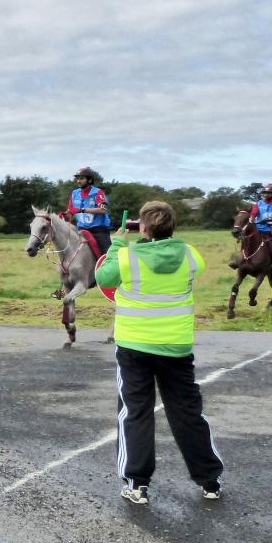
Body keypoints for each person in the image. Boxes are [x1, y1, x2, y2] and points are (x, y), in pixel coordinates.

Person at [94, 200, 223, 506]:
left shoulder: (126, 256)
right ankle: (210, 480)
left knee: (135, 412)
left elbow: (103, 278)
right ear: (172, 226)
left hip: (134, 347)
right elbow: (190, 267)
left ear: (145, 227)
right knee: (188, 412)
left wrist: (116, 245)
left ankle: (137, 483)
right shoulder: (191, 255)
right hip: (176, 347)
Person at [67, 166, 112, 254]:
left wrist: (83, 210)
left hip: (98, 230)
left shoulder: (98, 192)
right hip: (81, 229)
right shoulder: (74, 193)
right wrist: (65, 215)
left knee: (108, 255)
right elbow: (71, 211)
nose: (78, 181)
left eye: (82, 178)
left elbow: (103, 210)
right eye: (77, 178)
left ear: (89, 180)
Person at [249, 183, 272, 266]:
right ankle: (240, 260)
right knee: (247, 240)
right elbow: (254, 212)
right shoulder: (259, 203)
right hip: (260, 228)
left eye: (268, 193)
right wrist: (252, 218)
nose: (266, 195)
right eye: (265, 193)